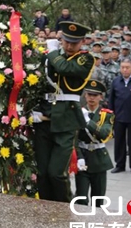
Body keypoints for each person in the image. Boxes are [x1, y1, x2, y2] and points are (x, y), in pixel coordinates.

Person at [33, 21, 95, 203]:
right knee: (43, 172)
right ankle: (46, 207)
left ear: (82, 42)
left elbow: (65, 68)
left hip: (66, 119)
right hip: (44, 117)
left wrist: (52, 52)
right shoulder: (50, 57)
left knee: (57, 173)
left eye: (74, 43)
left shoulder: (86, 59)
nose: (69, 46)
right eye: (66, 41)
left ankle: (63, 208)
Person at [75, 80, 114, 207]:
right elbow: (74, 137)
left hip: (99, 159)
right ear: (85, 96)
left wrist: (88, 121)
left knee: (98, 199)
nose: (92, 98)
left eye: (95, 95)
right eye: (89, 94)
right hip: (83, 158)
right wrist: (79, 156)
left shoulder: (106, 115)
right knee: (80, 198)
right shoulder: (77, 113)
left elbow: (104, 134)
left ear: (101, 97)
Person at [108, 58, 131, 176]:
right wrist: (111, 117)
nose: (125, 70)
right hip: (119, 117)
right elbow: (111, 100)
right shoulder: (115, 81)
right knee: (119, 142)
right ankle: (120, 164)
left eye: (127, 67)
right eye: (123, 67)